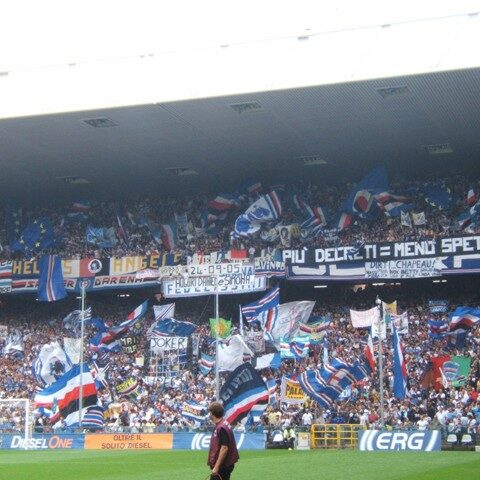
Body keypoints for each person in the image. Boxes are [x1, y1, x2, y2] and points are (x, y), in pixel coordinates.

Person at [207, 402, 239, 480]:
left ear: (213, 414)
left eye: (210, 412)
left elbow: (224, 448)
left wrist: (217, 467)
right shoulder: (223, 424)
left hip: (223, 466)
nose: (209, 414)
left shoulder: (221, 428)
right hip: (225, 464)